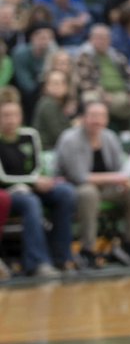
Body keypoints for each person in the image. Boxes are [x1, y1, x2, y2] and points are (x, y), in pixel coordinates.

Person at [55, 100, 130, 267]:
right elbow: (79, 176)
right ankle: (88, 249)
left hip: (106, 189)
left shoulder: (109, 137)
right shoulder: (70, 139)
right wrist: (117, 178)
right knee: (88, 193)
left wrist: (125, 180)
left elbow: (120, 169)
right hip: (73, 188)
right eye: (93, 116)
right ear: (83, 118)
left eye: (102, 116)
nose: (97, 120)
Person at [0, 90, 76, 276]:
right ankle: (37, 263)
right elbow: (2, 177)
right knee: (30, 202)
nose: (11, 119)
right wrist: (34, 181)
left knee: (66, 192)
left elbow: (38, 166)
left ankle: (62, 257)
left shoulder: (30, 135)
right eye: (5, 115)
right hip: (9, 191)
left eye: (15, 114)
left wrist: (43, 180)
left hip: (32, 186)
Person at [75, 23, 130, 129]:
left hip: (122, 93)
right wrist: (102, 93)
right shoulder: (85, 56)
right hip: (99, 93)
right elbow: (84, 81)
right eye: (99, 38)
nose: (102, 41)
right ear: (91, 39)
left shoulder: (117, 56)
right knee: (89, 97)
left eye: (105, 38)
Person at [33, 68, 78, 152]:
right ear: (46, 86)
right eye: (54, 83)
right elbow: (59, 135)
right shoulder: (48, 104)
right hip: (48, 152)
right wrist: (74, 126)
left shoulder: (58, 104)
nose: (58, 86)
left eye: (62, 83)